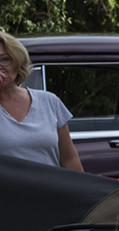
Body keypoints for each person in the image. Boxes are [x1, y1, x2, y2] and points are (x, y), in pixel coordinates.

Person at [0, 31, 83, 171]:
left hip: (51, 190)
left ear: (17, 61)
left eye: (5, 59)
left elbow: (69, 159)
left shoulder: (49, 101)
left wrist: (83, 189)